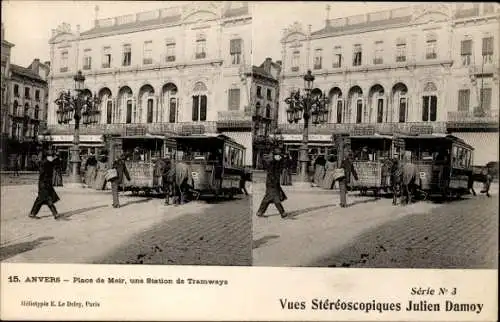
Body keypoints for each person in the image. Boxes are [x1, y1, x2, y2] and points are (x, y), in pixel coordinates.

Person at [256, 148, 288, 218]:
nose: (280, 157)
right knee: (275, 197)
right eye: (278, 156)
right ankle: (282, 213)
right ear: (274, 156)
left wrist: (284, 158)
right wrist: (274, 182)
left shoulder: (277, 162)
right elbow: (270, 174)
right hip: (271, 182)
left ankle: (260, 212)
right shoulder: (271, 163)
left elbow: (284, 163)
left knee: (268, 197)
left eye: (280, 156)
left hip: (274, 182)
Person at [29, 151, 60, 220]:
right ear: (48, 157)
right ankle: (56, 214)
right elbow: (41, 172)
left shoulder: (50, 162)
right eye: (52, 157)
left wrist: (56, 157)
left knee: (40, 200)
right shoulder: (44, 163)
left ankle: (32, 213)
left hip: (47, 183)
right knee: (48, 198)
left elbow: (56, 162)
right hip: (43, 184)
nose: (53, 158)